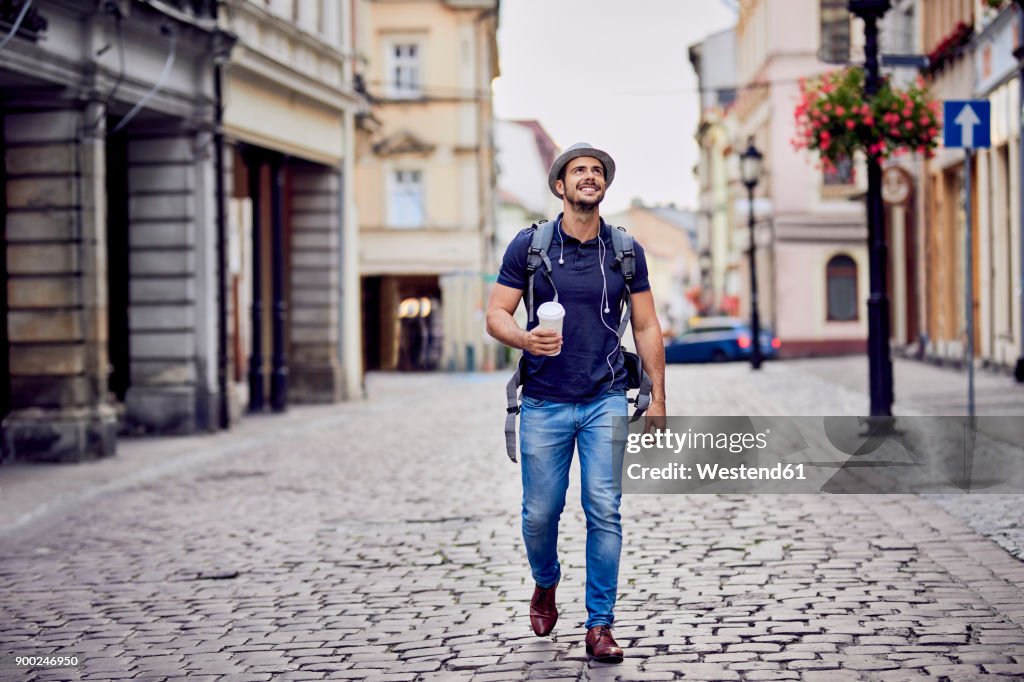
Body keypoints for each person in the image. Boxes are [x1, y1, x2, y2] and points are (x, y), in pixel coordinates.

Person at [485, 143, 667, 662]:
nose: (589, 176)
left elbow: (648, 324)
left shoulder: (625, 250)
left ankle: (600, 624)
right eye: (578, 170)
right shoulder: (530, 246)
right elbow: (497, 313)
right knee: (540, 514)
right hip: (543, 402)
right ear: (560, 187)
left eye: (597, 171)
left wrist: (657, 398)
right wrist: (524, 340)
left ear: (603, 187)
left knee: (604, 510)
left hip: (606, 398)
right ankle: (545, 582)